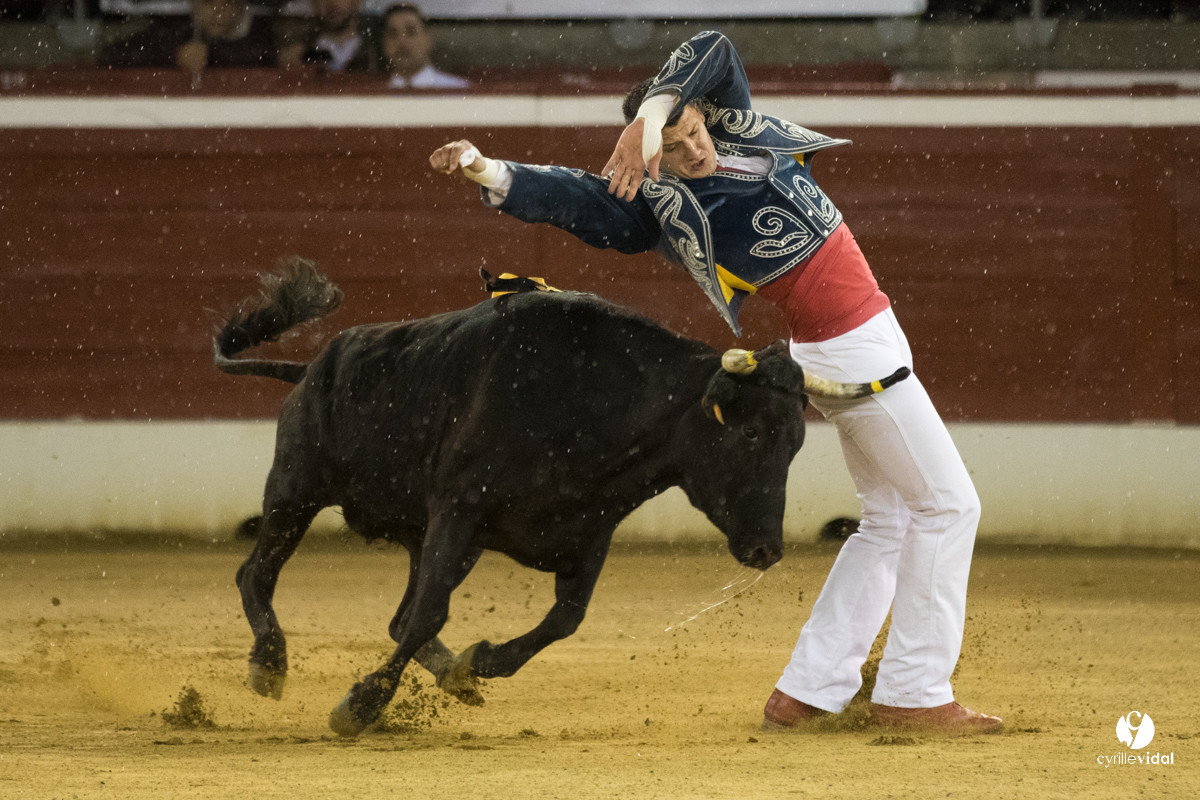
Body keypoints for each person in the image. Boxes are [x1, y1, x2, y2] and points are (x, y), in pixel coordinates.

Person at [430, 30, 1001, 735]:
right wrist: (488, 169)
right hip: (850, 348)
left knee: (889, 518)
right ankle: (914, 692)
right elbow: (572, 198)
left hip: (858, 335)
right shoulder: (664, 209)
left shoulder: (736, 125)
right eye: (669, 149)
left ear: (702, 115)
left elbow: (717, 47)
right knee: (949, 507)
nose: (692, 151)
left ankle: (809, 688)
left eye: (690, 131)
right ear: (650, 163)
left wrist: (651, 114)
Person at [97, 0, 276, 75]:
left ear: (238, 7)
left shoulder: (259, 33)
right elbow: (112, 55)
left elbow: (266, 56)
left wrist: (211, 54)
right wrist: (175, 55)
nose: (219, 12)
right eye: (209, 2)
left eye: (227, 2)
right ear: (193, 5)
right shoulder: (173, 31)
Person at [380, 3, 468, 90]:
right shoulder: (374, 95)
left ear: (428, 39)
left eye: (411, 32)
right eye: (393, 33)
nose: (402, 41)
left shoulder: (459, 91)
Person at [278, 0, 378, 73]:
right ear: (313, 4)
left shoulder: (378, 51)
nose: (332, 4)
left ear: (357, 2)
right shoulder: (296, 54)